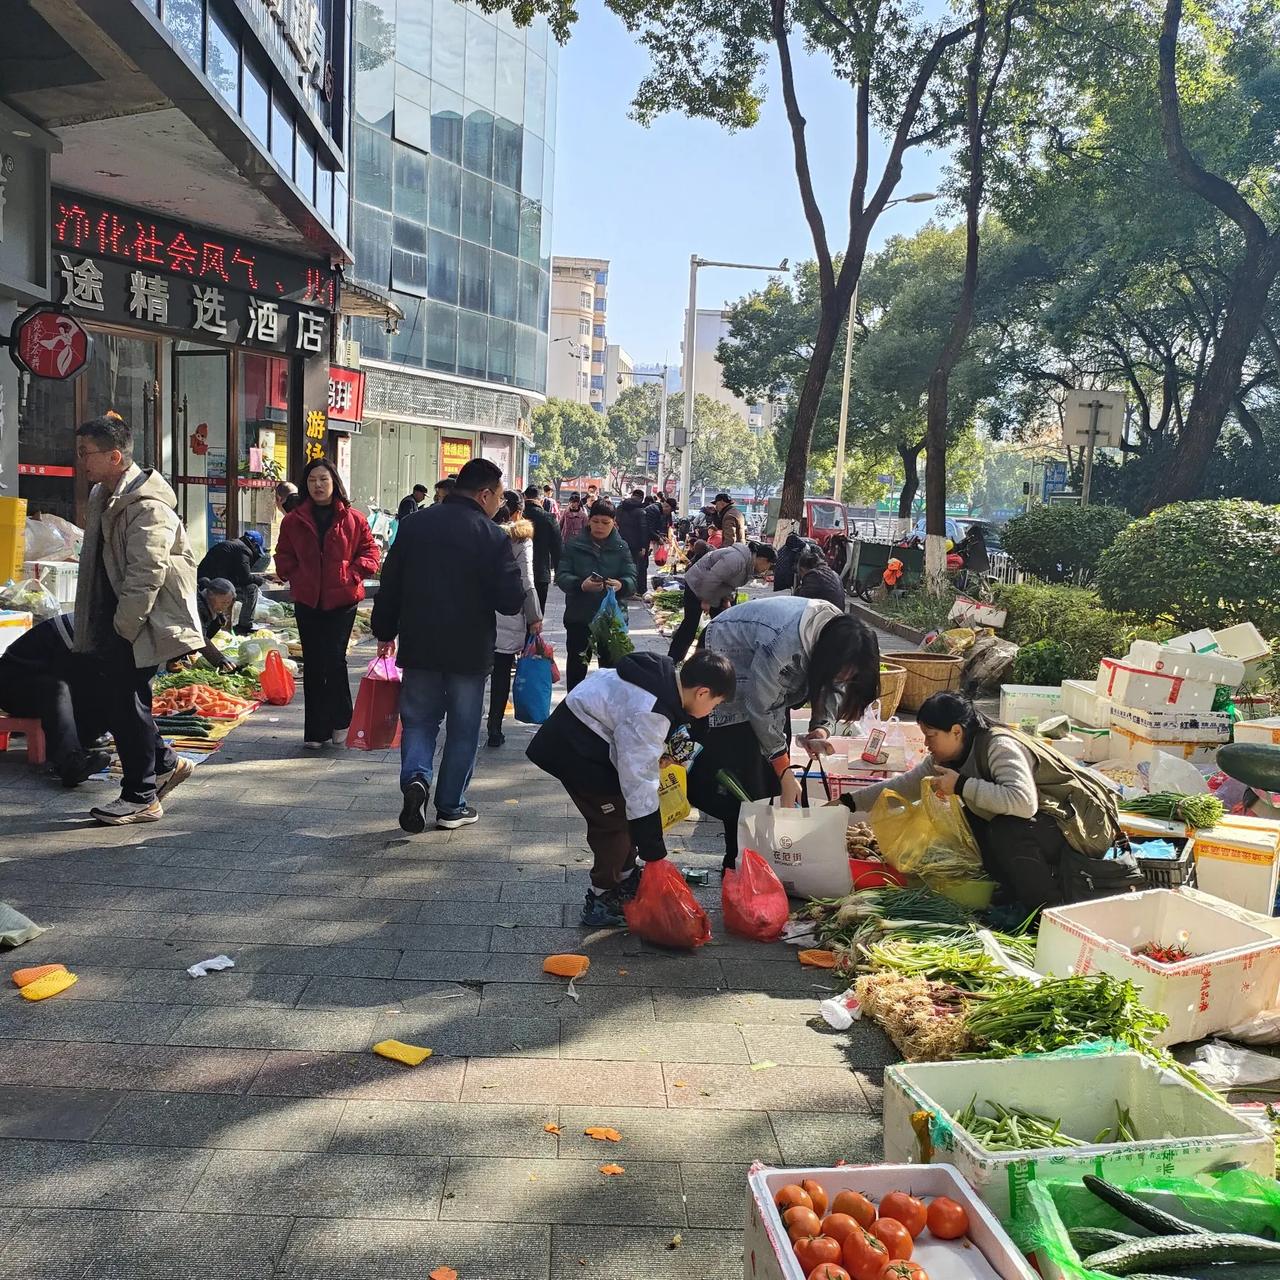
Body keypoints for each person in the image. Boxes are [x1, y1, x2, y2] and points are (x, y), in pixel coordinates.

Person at [837, 692, 1107, 912]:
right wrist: (848, 802)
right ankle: (1010, 892)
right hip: (1042, 825)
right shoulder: (947, 758)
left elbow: (1024, 803)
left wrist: (962, 785)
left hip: (1077, 828)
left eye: (931, 735)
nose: (927, 743)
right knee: (973, 817)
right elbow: (907, 785)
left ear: (956, 731)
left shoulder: (999, 746)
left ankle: (1045, 910)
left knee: (1005, 828)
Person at [527, 649, 736, 926]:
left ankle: (625, 877)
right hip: (574, 751)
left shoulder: (662, 678)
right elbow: (639, 783)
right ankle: (602, 896)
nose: (713, 710)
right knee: (612, 823)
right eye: (716, 703)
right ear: (702, 692)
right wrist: (654, 854)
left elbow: (632, 742)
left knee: (624, 815)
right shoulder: (651, 712)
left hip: (587, 740)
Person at [371, 457, 525, 833]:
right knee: (463, 727)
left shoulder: (414, 525)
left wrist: (384, 630)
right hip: (469, 650)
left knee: (420, 721)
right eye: (499, 497)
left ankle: (416, 780)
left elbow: (390, 583)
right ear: (484, 493)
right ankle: (450, 806)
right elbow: (510, 600)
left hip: (420, 642)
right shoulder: (491, 536)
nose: (499, 505)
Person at [71, 411, 203, 824]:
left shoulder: (148, 506)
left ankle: (141, 794)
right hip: (113, 618)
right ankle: (163, 764)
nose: (81, 461)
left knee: (125, 704)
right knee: (124, 703)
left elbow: (147, 575)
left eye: (85, 453)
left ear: (114, 456)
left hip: (138, 623)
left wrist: (123, 628)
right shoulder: (103, 497)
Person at [686, 595, 880, 866]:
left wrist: (820, 729)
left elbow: (832, 684)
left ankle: (765, 856)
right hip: (726, 656)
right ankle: (739, 863)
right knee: (742, 772)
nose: (845, 680)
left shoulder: (841, 637)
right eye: (844, 673)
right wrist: (784, 770)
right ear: (828, 658)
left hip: (767, 686)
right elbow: (760, 705)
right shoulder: (784, 643)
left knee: (770, 768)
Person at [275, 458, 380, 750]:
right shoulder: (293, 520)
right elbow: (283, 554)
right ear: (305, 485)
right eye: (312, 480)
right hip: (308, 600)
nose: (318, 485)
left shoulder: (353, 518)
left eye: (323, 479)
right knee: (314, 663)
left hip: (342, 600)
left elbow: (370, 551)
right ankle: (315, 732)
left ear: (334, 481)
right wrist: (294, 574)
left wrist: (353, 573)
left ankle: (341, 720)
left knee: (334, 661)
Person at [0, 613, 109, 787]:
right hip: (12, 687)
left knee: (104, 686)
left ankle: (84, 739)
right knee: (58, 689)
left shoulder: (99, 629)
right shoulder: (80, 630)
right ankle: (70, 763)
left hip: (49, 681)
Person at [556, 499, 637, 691]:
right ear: (589, 521)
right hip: (580, 616)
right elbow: (562, 576)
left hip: (611, 620)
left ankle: (605, 714)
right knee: (577, 668)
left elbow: (632, 578)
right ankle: (573, 712)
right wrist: (580, 585)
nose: (600, 526)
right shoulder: (574, 545)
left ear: (614, 523)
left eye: (605, 522)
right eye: (596, 521)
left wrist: (621, 584)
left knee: (610, 673)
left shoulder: (621, 547)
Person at [488, 491, 544, 748]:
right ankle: (494, 727)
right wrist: (534, 616)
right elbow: (526, 581)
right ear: (519, 513)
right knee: (501, 672)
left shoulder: (480, 533)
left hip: (475, 613)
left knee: (471, 674)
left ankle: (463, 721)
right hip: (509, 614)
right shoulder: (521, 539)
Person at [668, 541, 777, 663]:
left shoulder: (747, 563)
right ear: (763, 559)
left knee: (722, 623)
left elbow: (729, 583)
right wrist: (706, 600)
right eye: (769, 565)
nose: (767, 570)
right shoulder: (737, 559)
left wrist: (726, 599)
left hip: (712, 591)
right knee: (690, 626)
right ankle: (673, 660)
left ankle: (705, 659)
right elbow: (713, 577)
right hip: (697, 585)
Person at [197, 530, 266, 634]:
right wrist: (260, 580)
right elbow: (245, 578)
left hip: (204, 581)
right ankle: (245, 625)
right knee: (252, 589)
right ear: (254, 545)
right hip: (215, 586)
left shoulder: (231, 545)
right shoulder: (243, 550)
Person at [522, 484, 563, 611]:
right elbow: (557, 549)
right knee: (537, 615)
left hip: (518, 573)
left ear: (524, 497)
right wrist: (560, 574)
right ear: (541, 500)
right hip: (541, 573)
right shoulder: (549, 518)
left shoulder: (518, 516)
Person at [193, 578, 240, 671]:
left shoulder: (209, 603)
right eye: (223, 603)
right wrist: (219, 659)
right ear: (210, 595)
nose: (225, 606)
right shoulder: (198, 607)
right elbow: (198, 636)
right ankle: (173, 661)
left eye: (228, 603)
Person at [617, 488, 653, 598]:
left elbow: (616, 523)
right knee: (634, 568)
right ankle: (631, 591)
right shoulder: (640, 511)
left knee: (621, 567)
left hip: (621, 541)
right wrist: (643, 546)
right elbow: (643, 529)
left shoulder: (620, 508)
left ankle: (621, 589)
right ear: (641, 498)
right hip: (635, 545)